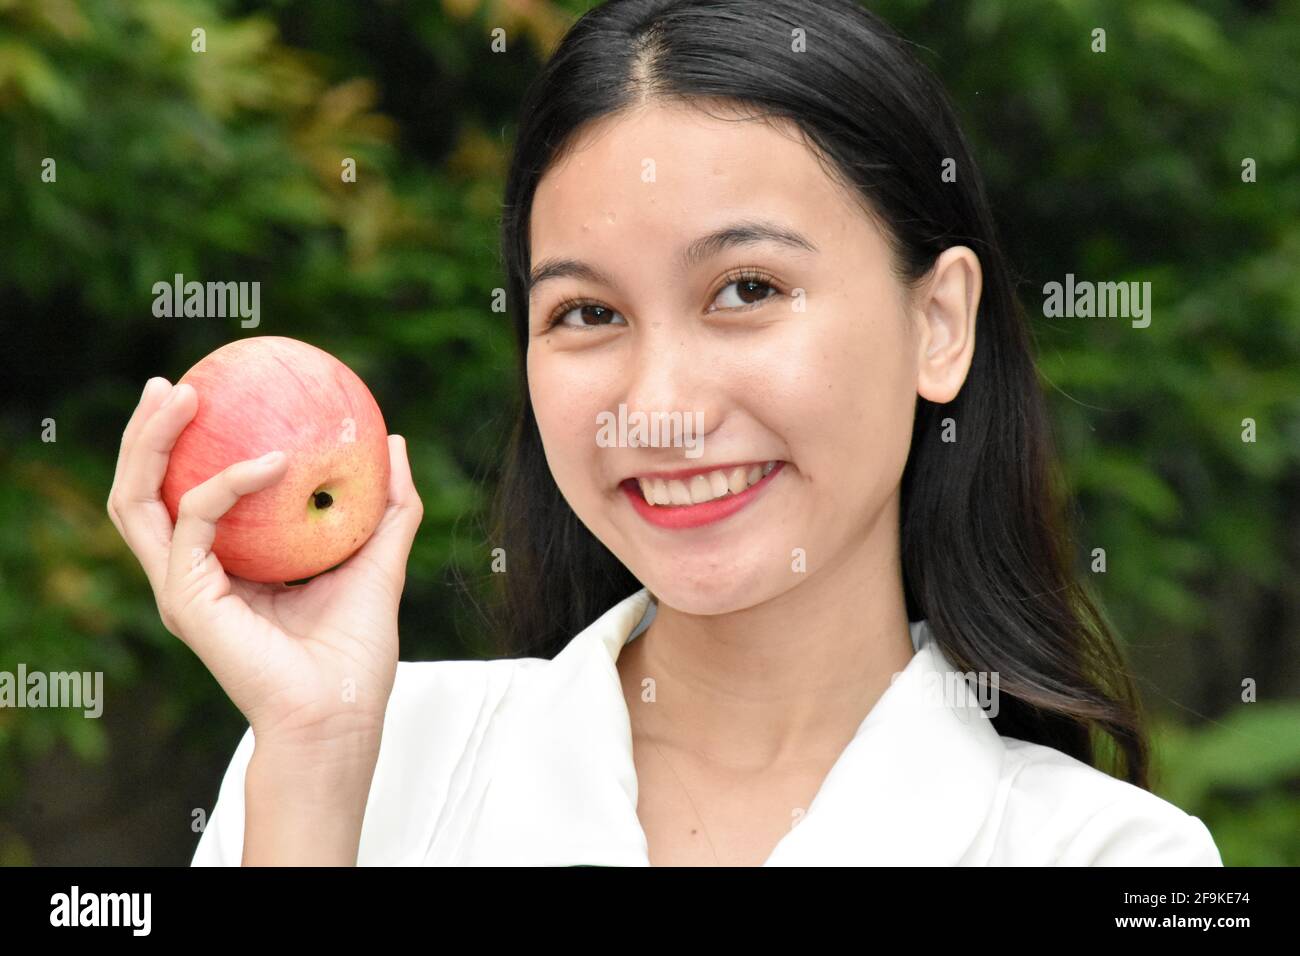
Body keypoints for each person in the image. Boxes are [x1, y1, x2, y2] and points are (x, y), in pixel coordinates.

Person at [107, 0, 1223, 866]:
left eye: (745, 288)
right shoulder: (353, 764)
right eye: (586, 313)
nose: (661, 405)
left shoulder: (1112, 855)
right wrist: (315, 757)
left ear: (938, 323)